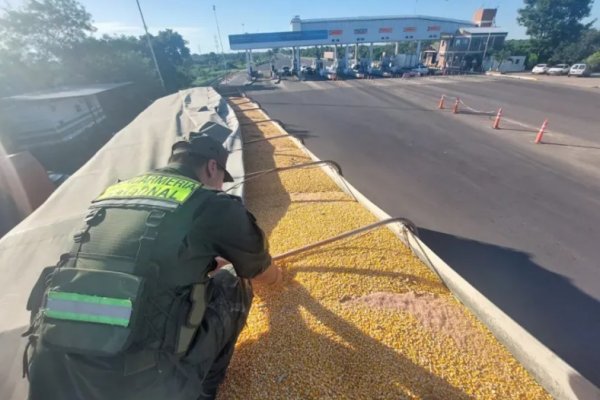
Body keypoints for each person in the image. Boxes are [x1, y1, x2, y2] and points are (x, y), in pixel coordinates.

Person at [24, 134, 282, 400]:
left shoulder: (113, 193)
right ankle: (202, 391)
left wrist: (202, 264)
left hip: (54, 372)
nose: (220, 186)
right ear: (212, 167)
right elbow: (259, 269)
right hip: (139, 384)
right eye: (220, 179)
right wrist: (278, 278)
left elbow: (137, 260)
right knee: (233, 283)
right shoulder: (212, 203)